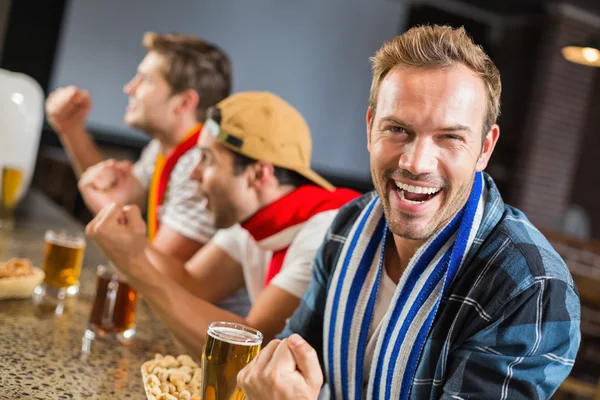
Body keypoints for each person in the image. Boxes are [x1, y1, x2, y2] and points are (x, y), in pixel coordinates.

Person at [237, 25, 581, 400]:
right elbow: (288, 365)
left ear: (484, 148)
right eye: (398, 129)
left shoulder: (530, 287)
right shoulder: (348, 226)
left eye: (450, 137)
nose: (416, 163)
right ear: (371, 129)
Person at [85, 91, 360, 357]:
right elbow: (190, 283)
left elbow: (250, 348)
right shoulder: (255, 220)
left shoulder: (324, 233)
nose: (193, 173)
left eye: (206, 159)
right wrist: (125, 234)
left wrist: (133, 262)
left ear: (258, 174)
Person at [45, 32, 231, 263]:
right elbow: (113, 190)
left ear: (183, 103)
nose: (129, 88)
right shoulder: (162, 148)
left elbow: (158, 276)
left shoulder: (198, 166)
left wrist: (108, 211)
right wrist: (71, 129)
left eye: (145, 80)